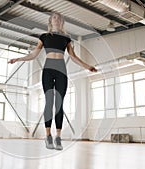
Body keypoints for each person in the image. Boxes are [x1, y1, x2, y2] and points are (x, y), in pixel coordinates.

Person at [8, 12, 97, 150]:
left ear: (61, 22)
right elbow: (33, 54)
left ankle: (58, 137)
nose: (57, 18)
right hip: (48, 70)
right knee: (49, 101)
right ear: (50, 21)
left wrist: (87, 66)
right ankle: (48, 136)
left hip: (61, 70)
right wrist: (18, 59)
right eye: (54, 17)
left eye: (59, 17)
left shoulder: (66, 38)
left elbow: (73, 57)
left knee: (59, 103)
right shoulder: (44, 37)